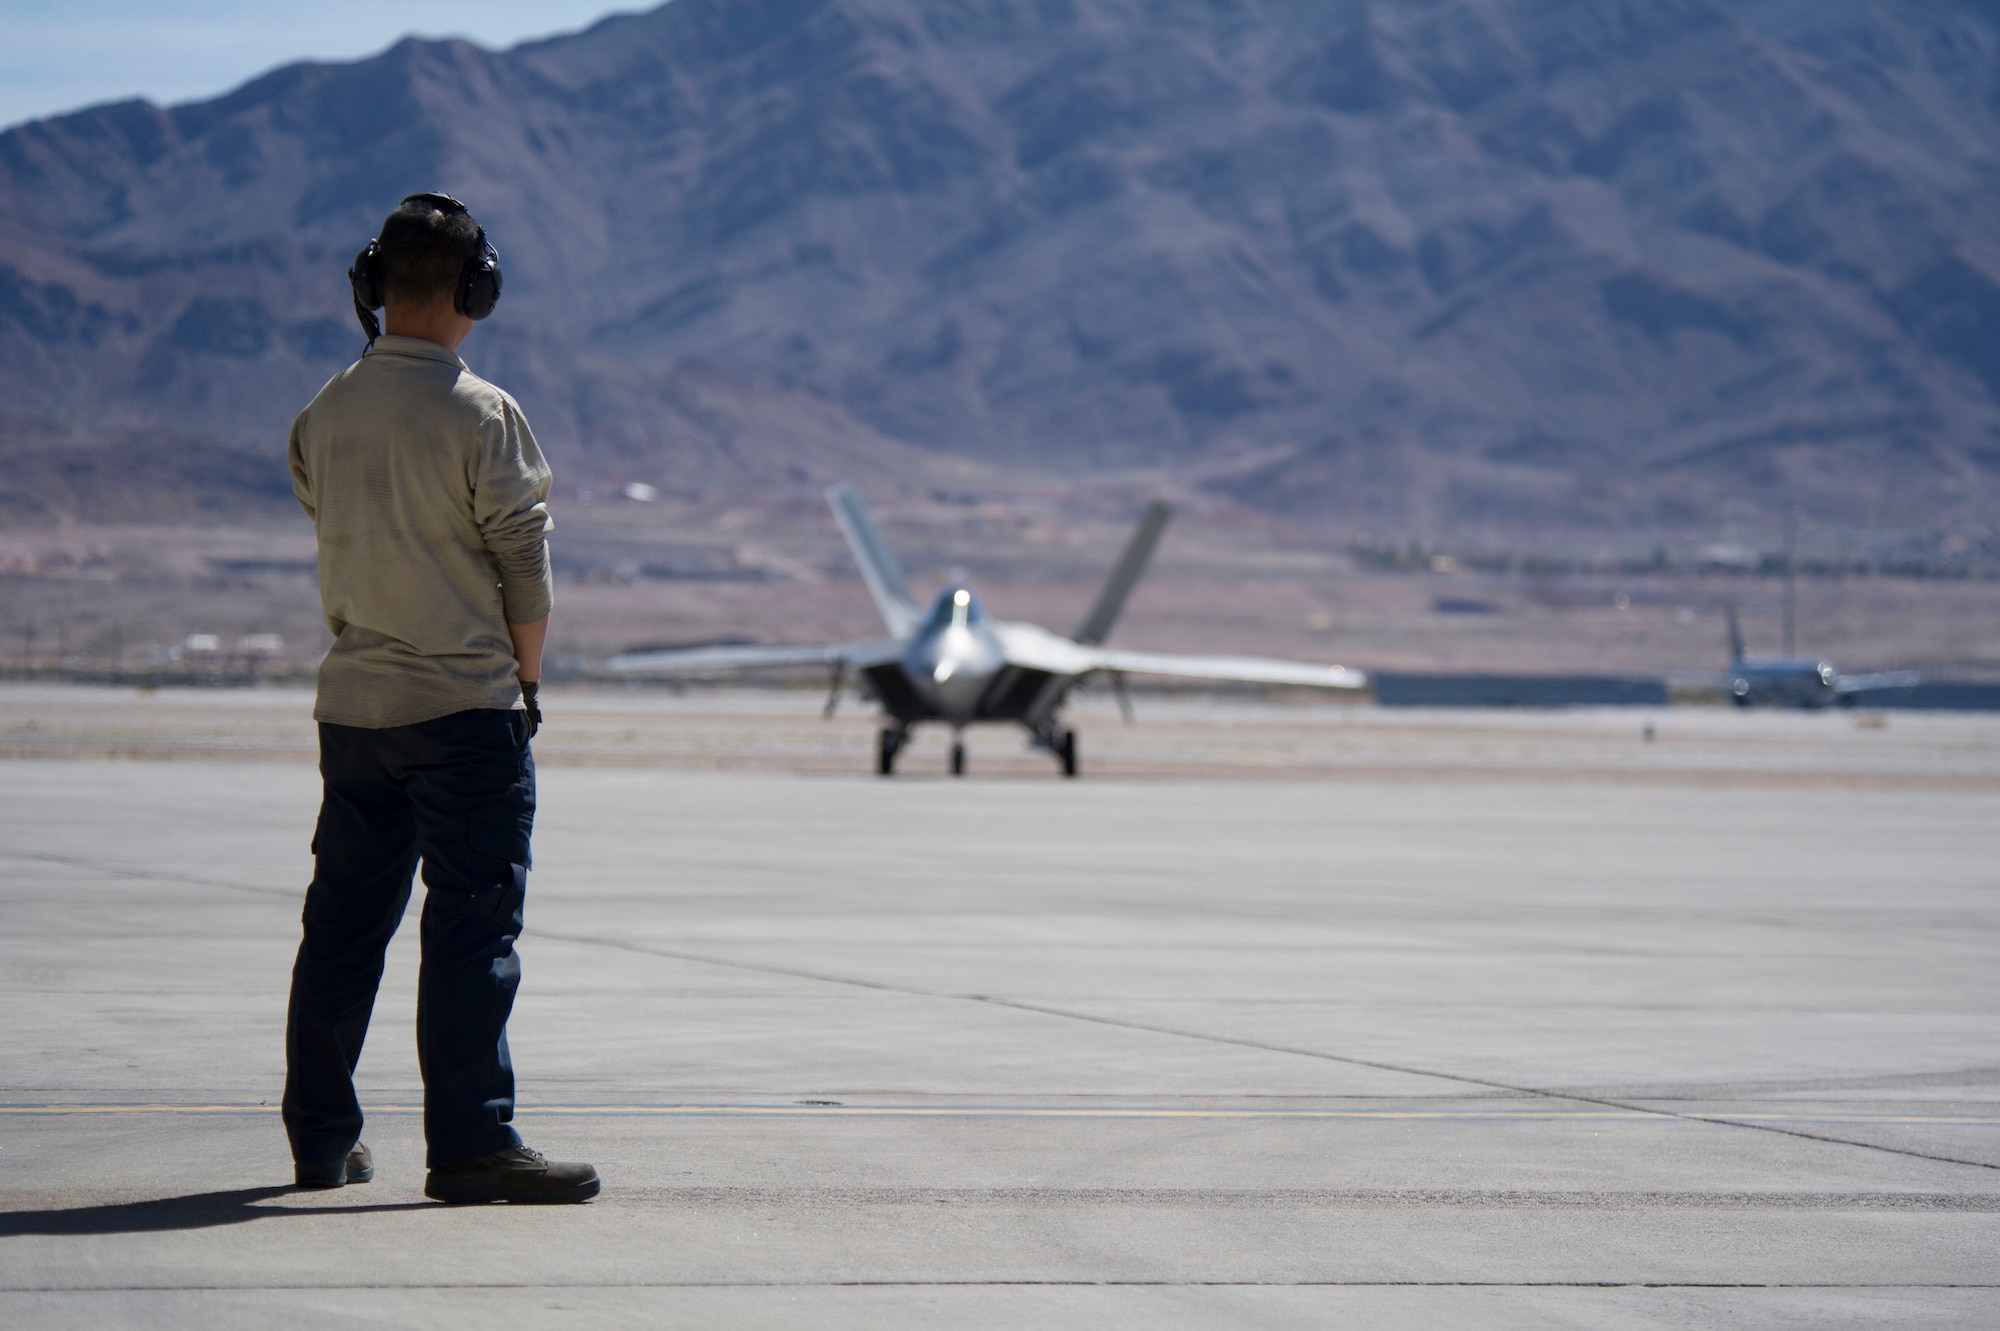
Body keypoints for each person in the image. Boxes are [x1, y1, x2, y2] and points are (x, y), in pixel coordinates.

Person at [282, 192, 598, 1204]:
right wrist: (528, 678)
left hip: (355, 712)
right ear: (477, 291)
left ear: (374, 288)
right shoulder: (481, 412)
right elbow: (524, 564)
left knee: (340, 927)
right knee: (471, 929)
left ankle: (321, 1137)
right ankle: (471, 1142)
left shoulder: (323, 411)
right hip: (461, 709)